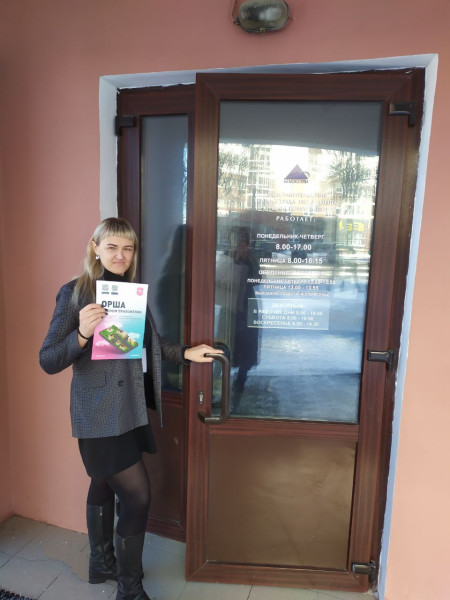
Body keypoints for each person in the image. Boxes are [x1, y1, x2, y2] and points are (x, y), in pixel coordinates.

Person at [39, 217, 218, 600]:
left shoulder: (130, 293)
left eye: (128, 248)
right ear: (95, 248)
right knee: (137, 497)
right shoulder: (75, 293)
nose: (120, 255)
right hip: (98, 415)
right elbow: (48, 359)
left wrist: (186, 353)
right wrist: (82, 334)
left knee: (103, 482)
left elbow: (150, 345)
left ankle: (102, 564)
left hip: (131, 410)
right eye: (112, 247)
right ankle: (130, 590)